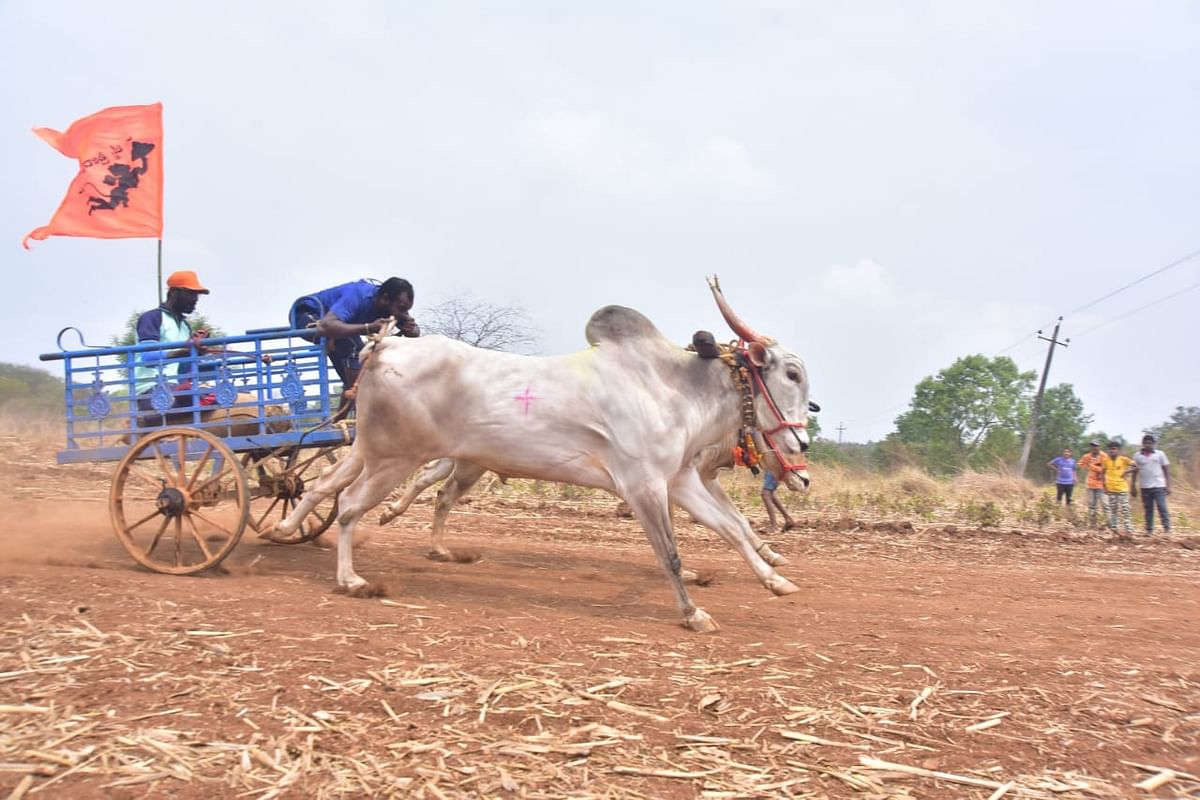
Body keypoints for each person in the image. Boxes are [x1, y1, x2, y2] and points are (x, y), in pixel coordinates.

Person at [289, 278, 420, 398]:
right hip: (306, 314)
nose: (402, 314)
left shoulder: (393, 307)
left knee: (360, 363)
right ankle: (358, 400)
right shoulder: (358, 295)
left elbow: (413, 330)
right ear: (385, 299)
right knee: (354, 349)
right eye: (402, 309)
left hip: (338, 328)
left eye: (406, 310)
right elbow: (326, 325)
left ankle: (342, 416)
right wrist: (368, 328)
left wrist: (412, 330)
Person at [134, 270, 212, 422]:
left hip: (174, 387)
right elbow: (148, 357)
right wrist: (184, 351)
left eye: (197, 295)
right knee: (211, 397)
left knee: (218, 394)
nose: (195, 300)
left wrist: (196, 352)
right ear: (174, 292)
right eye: (191, 294)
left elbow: (182, 368)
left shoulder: (185, 327)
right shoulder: (152, 318)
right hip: (152, 391)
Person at [1132, 434, 1171, 535]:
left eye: (1150, 443)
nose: (1148, 445)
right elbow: (1134, 471)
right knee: (1148, 509)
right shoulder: (1137, 455)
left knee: (1162, 507)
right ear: (1143, 444)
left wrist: (1168, 485)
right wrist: (1133, 486)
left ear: (1153, 444)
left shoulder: (1160, 454)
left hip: (1159, 486)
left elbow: (1166, 470)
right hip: (1145, 487)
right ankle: (1149, 530)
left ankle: (1167, 528)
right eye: (1146, 443)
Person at [1099, 441, 1136, 537]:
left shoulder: (1123, 460)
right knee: (1113, 510)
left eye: (1114, 448)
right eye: (1111, 449)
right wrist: (1104, 486)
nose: (1112, 450)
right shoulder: (1105, 461)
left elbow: (1137, 467)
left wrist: (1127, 472)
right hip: (1111, 490)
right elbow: (1102, 472)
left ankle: (1129, 530)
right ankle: (1115, 531)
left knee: (1125, 510)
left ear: (1118, 450)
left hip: (1122, 489)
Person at [1076, 441, 1107, 528]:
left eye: (1096, 446)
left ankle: (1108, 523)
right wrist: (1085, 467)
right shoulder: (1087, 456)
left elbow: (1107, 467)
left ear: (1099, 447)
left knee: (1105, 504)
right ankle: (1093, 524)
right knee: (1092, 505)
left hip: (1101, 484)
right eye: (1092, 446)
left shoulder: (1104, 456)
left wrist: (1097, 469)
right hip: (1090, 484)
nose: (1094, 448)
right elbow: (1080, 464)